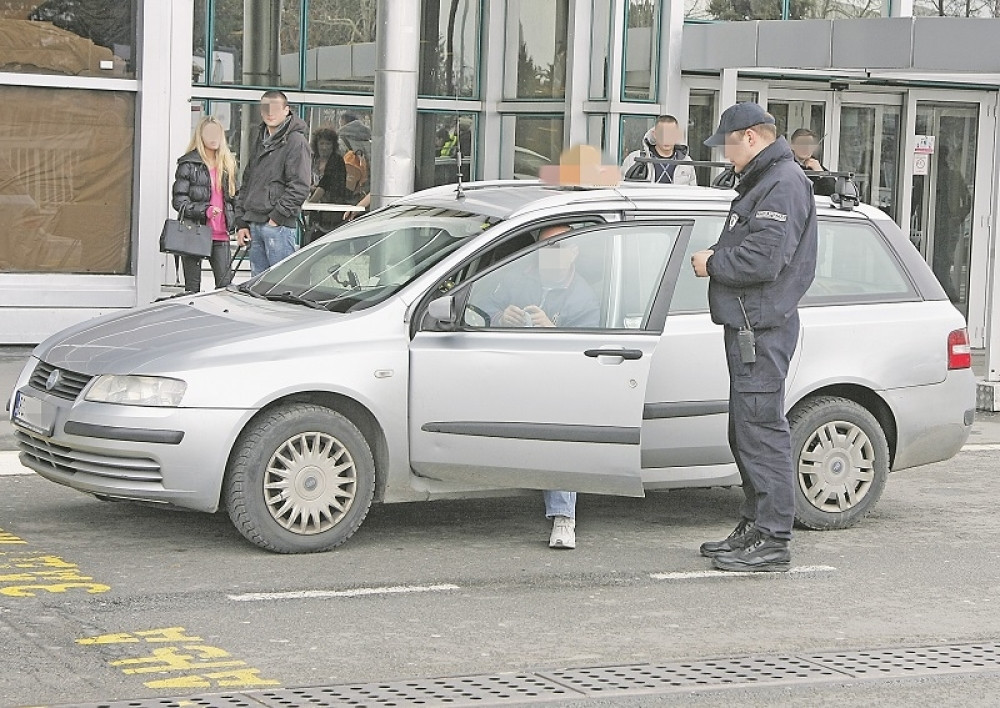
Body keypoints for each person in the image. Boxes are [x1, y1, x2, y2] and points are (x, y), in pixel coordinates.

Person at [691, 103, 818, 572]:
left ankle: (772, 540)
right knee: (745, 430)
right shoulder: (766, 180)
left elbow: (763, 260)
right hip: (751, 324)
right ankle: (755, 526)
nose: (725, 156)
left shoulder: (782, 183)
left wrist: (712, 263)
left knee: (762, 432)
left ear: (749, 137)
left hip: (761, 327)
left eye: (727, 145)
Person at [483, 224, 599, 549]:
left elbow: (590, 348)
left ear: (574, 251)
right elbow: (479, 306)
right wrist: (499, 317)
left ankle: (564, 518)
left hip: (556, 379)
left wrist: (555, 329)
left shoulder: (583, 296)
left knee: (559, 422)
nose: (550, 256)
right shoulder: (518, 278)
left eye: (559, 248)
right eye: (545, 248)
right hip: (510, 368)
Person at [235, 90, 312, 276]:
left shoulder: (296, 141)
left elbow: (300, 186)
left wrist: (277, 217)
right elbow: (247, 180)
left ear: (287, 110)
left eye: (276, 108)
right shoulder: (260, 139)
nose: (270, 112)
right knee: (257, 286)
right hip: (255, 222)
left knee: (281, 285)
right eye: (265, 108)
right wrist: (241, 221)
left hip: (278, 225)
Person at [171, 115, 239, 292]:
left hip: (221, 234)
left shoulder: (228, 164)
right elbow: (179, 202)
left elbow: (235, 199)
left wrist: (242, 225)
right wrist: (205, 211)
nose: (214, 138)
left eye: (217, 133)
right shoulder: (188, 164)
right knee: (192, 288)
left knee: (226, 289)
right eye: (209, 134)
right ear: (200, 136)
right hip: (195, 232)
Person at [932, 145, 972, 302]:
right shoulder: (930, 177)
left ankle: (946, 293)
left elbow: (968, 200)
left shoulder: (954, 176)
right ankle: (945, 292)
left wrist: (958, 216)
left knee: (943, 259)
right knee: (939, 259)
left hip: (947, 224)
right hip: (937, 224)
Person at [621, 115, 698, 185]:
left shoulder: (686, 162)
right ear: (654, 134)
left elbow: (693, 194)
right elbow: (621, 188)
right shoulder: (635, 158)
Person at [306, 126, 350, 244]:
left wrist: (310, 204)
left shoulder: (336, 160)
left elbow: (326, 183)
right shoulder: (313, 159)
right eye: (321, 143)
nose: (324, 147)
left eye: (328, 144)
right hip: (315, 211)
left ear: (333, 145)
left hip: (331, 210)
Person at [789, 128, 836, 197]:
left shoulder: (815, 165)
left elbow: (833, 191)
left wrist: (820, 172)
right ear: (792, 146)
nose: (806, 148)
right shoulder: (786, 164)